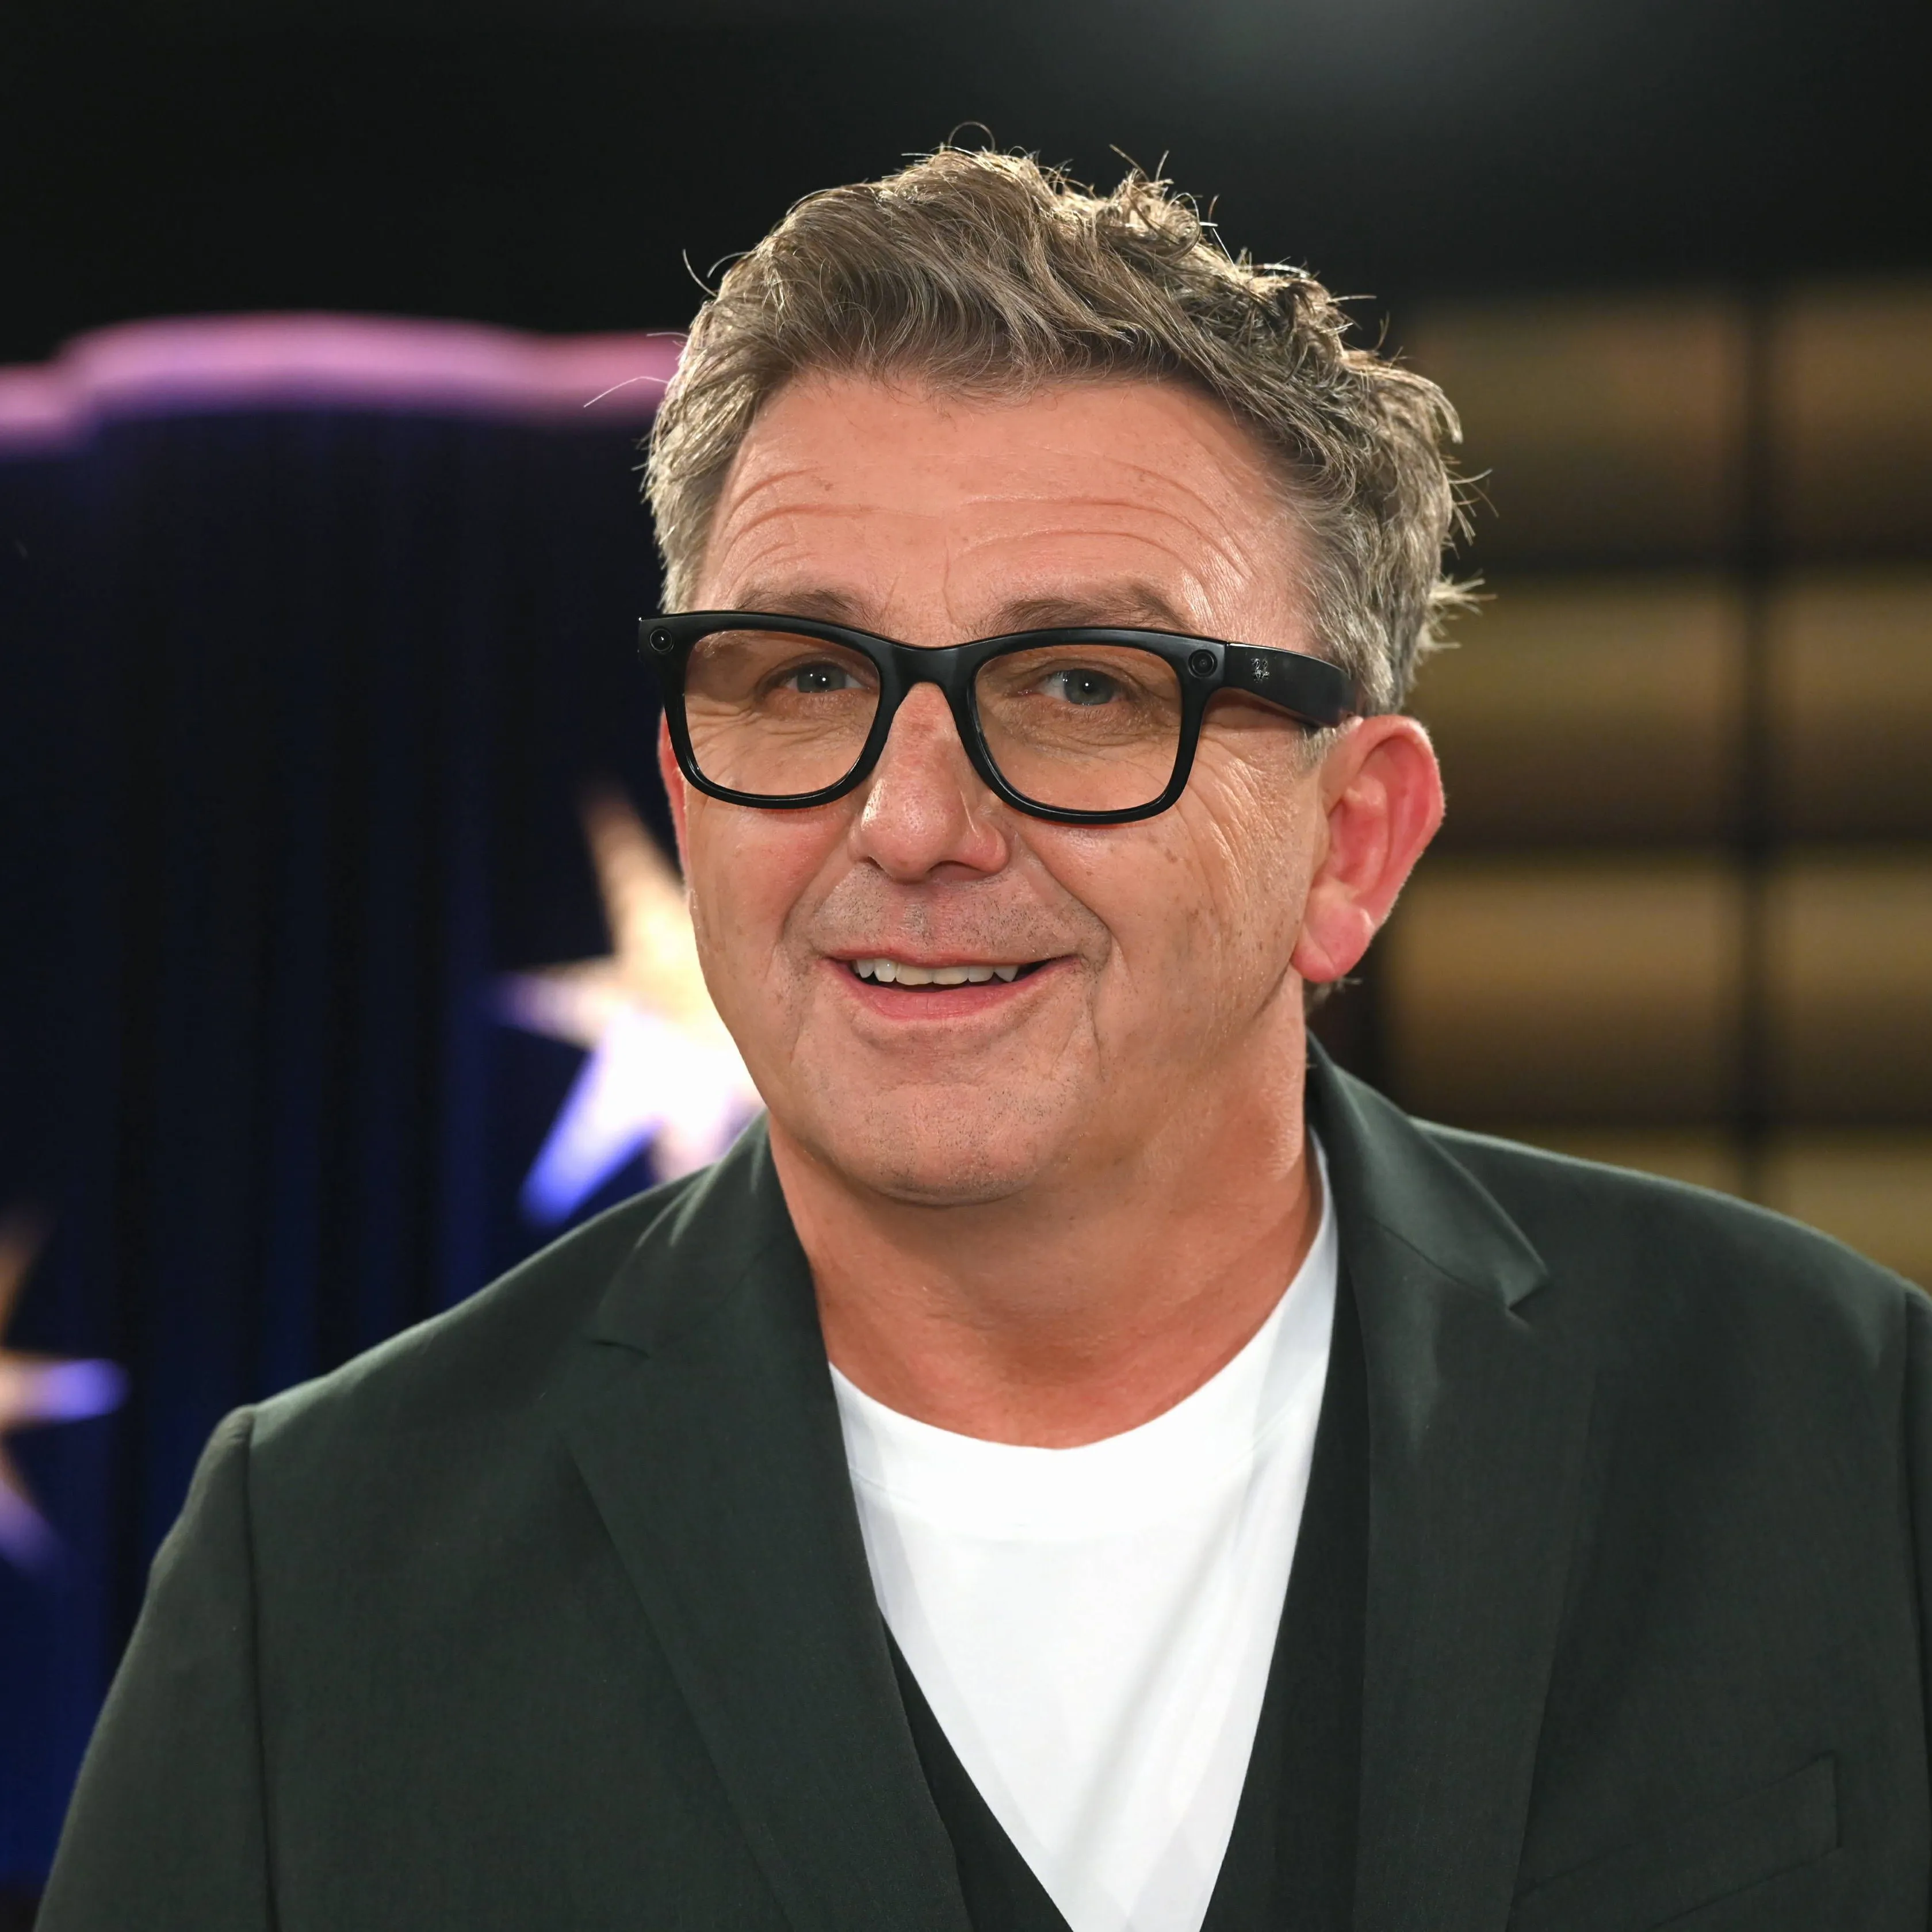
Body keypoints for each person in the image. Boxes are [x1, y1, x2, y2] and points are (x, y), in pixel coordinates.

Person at [40, 150, 1931, 1932]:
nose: (910, 822)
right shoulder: (322, 1563)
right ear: (688, 801)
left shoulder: (1848, 1428)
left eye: (1083, 686)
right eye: (803, 677)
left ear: (1350, 846)